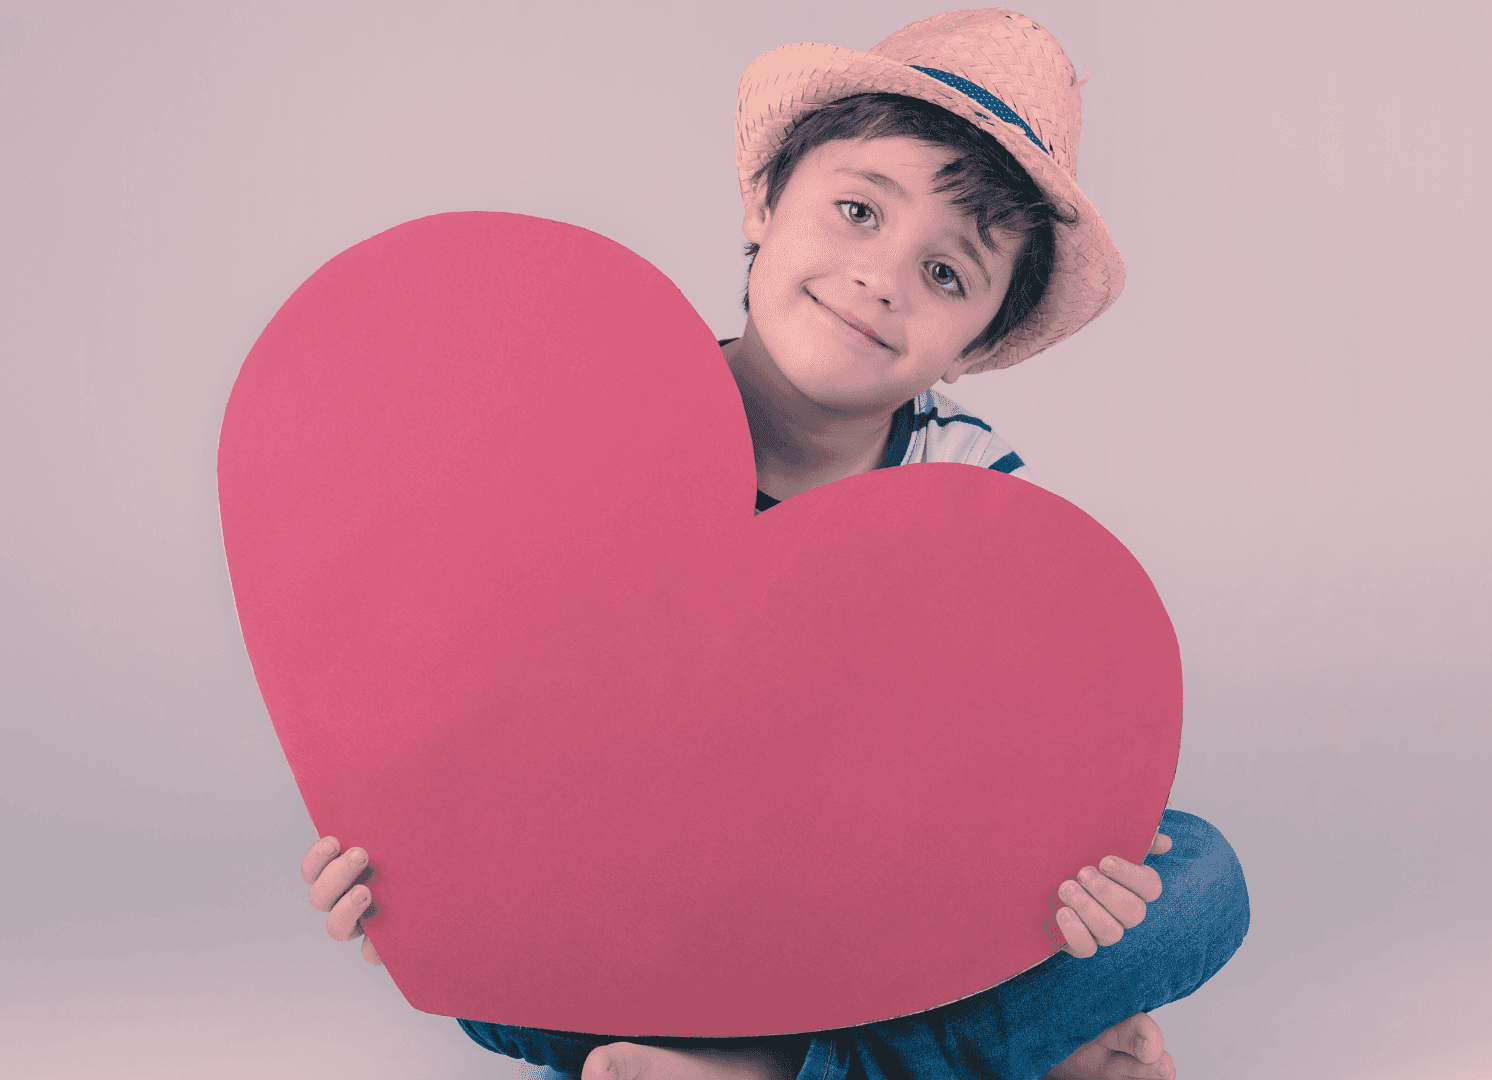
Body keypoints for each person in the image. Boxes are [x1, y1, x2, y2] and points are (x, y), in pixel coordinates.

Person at [298, 10, 1250, 1080]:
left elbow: (993, 769)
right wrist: (403, 847)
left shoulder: (973, 492)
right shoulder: (601, 431)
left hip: (869, 890)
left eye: (947, 276)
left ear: (976, 342)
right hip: (645, 883)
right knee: (478, 967)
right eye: (856, 211)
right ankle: (1002, 1052)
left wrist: (1078, 867)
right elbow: (486, 682)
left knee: (1201, 879)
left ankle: (759, 1068)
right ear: (764, 200)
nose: (884, 276)